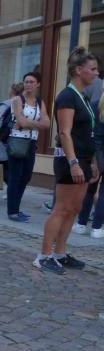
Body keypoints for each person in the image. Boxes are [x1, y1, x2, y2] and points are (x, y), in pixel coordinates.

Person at [34, 46, 100, 274]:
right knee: (62, 209)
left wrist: (92, 162)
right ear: (79, 70)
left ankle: (60, 253)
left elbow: (88, 132)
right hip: (70, 161)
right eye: (93, 69)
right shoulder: (67, 96)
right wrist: (73, 163)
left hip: (83, 159)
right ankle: (44, 256)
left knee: (74, 208)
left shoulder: (83, 96)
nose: (96, 73)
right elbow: (64, 132)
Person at [5, 73, 49, 222]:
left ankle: (16, 208)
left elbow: (47, 123)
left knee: (26, 176)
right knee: (15, 176)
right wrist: (36, 124)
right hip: (17, 141)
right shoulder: (18, 100)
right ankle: (12, 211)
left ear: (38, 84)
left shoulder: (40, 102)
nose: (28, 84)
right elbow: (21, 122)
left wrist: (28, 123)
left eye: (32, 82)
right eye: (26, 82)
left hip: (31, 143)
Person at [72, 85, 104, 238]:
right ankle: (97, 228)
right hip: (97, 152)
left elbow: (88, 130)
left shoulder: (93, 105)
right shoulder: (95, 105)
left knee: (89, 189)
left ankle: (81, 224)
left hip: (93, 152)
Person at [0, 82, 25, 195]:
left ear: (12, 91)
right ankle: (14, 190)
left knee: (4, 166)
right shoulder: (26, 104)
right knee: (16, 166)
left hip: (6, 138)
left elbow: (0, 123)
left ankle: (12, 190)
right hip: (21, 139)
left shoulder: (6, 104)